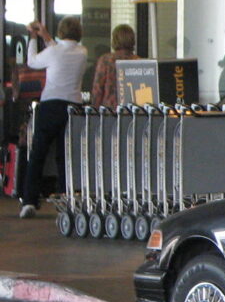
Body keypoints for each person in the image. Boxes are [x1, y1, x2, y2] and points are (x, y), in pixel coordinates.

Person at [19, 17, 87, 218]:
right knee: (65, 155)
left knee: (38, 153)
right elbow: (59, 50)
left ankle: (29, 201)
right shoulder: (82, 53)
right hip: (73, 107)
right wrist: (46, 36)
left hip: (49, 107)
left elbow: (32, 61)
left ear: (60, 32)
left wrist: (33, 38)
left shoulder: (54, 52)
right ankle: (66, 199)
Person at [90, 25, 139, 109]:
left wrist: (94, 110)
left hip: (110, 111)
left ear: (114, 40)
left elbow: (98, 89)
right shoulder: (138, 61)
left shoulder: (105, 60)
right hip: (132, 111)